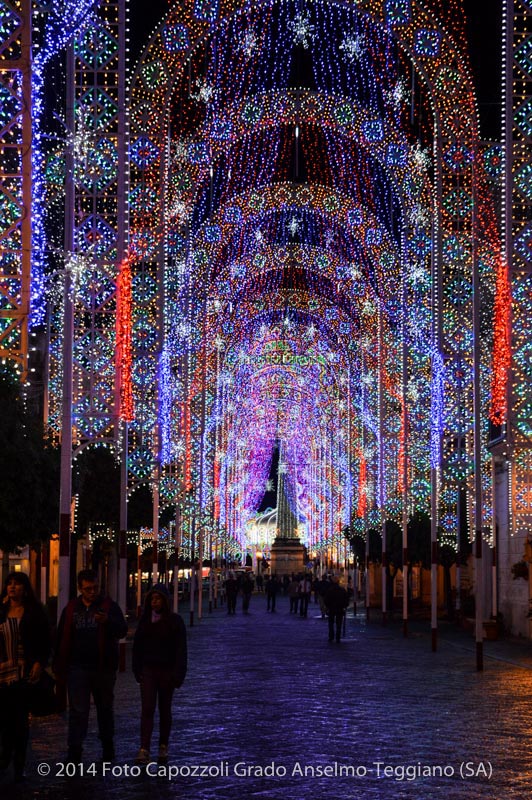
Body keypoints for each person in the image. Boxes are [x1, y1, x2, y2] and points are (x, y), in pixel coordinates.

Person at [54, 569, 127, 762]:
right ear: (80, 588)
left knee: (104, 708)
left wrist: (107, 621)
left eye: (95, 588)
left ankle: (107, 746)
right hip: (77, 668)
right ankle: (75, 750)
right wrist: (59, 665)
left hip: (103, 668)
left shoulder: (108, 607)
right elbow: (61, 636)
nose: (92, 592)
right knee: (78, 711)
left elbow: (122, 630)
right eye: (87, 589)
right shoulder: (71, 609)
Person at [0, 572, 51, 782]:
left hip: (23, 673)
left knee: (20, 721)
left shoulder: (34, 612)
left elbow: (44, 640)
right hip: (2, 673)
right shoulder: (1, 611)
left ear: (25, 588)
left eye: (17, 584)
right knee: (4, 720)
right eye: (9, 584)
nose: (13, 588)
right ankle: (5, 757)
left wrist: (39, 662)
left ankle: (19, 762)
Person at [132, 584, 187, 763]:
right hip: (148, 670)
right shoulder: (145, 620)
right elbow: (137, 646)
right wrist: (137, 668)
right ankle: (144, 748)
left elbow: (181, 649)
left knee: (164, 709)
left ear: (165, 601)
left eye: (158, 599)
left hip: (167, 671)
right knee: (147, 708)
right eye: (152, 599)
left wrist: (178, 674)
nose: (155, 603)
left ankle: (163, 745)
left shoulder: (175, 622)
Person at [324, 576, 349, 642]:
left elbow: (326, 600)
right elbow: (346, 600)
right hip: (339, 609)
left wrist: (328, 606)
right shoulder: (342, 590)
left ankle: (331, 636)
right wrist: (344, 606)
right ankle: (338, 637)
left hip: (332, 608)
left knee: (331, 623)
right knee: (339, 623)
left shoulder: (330, 590)